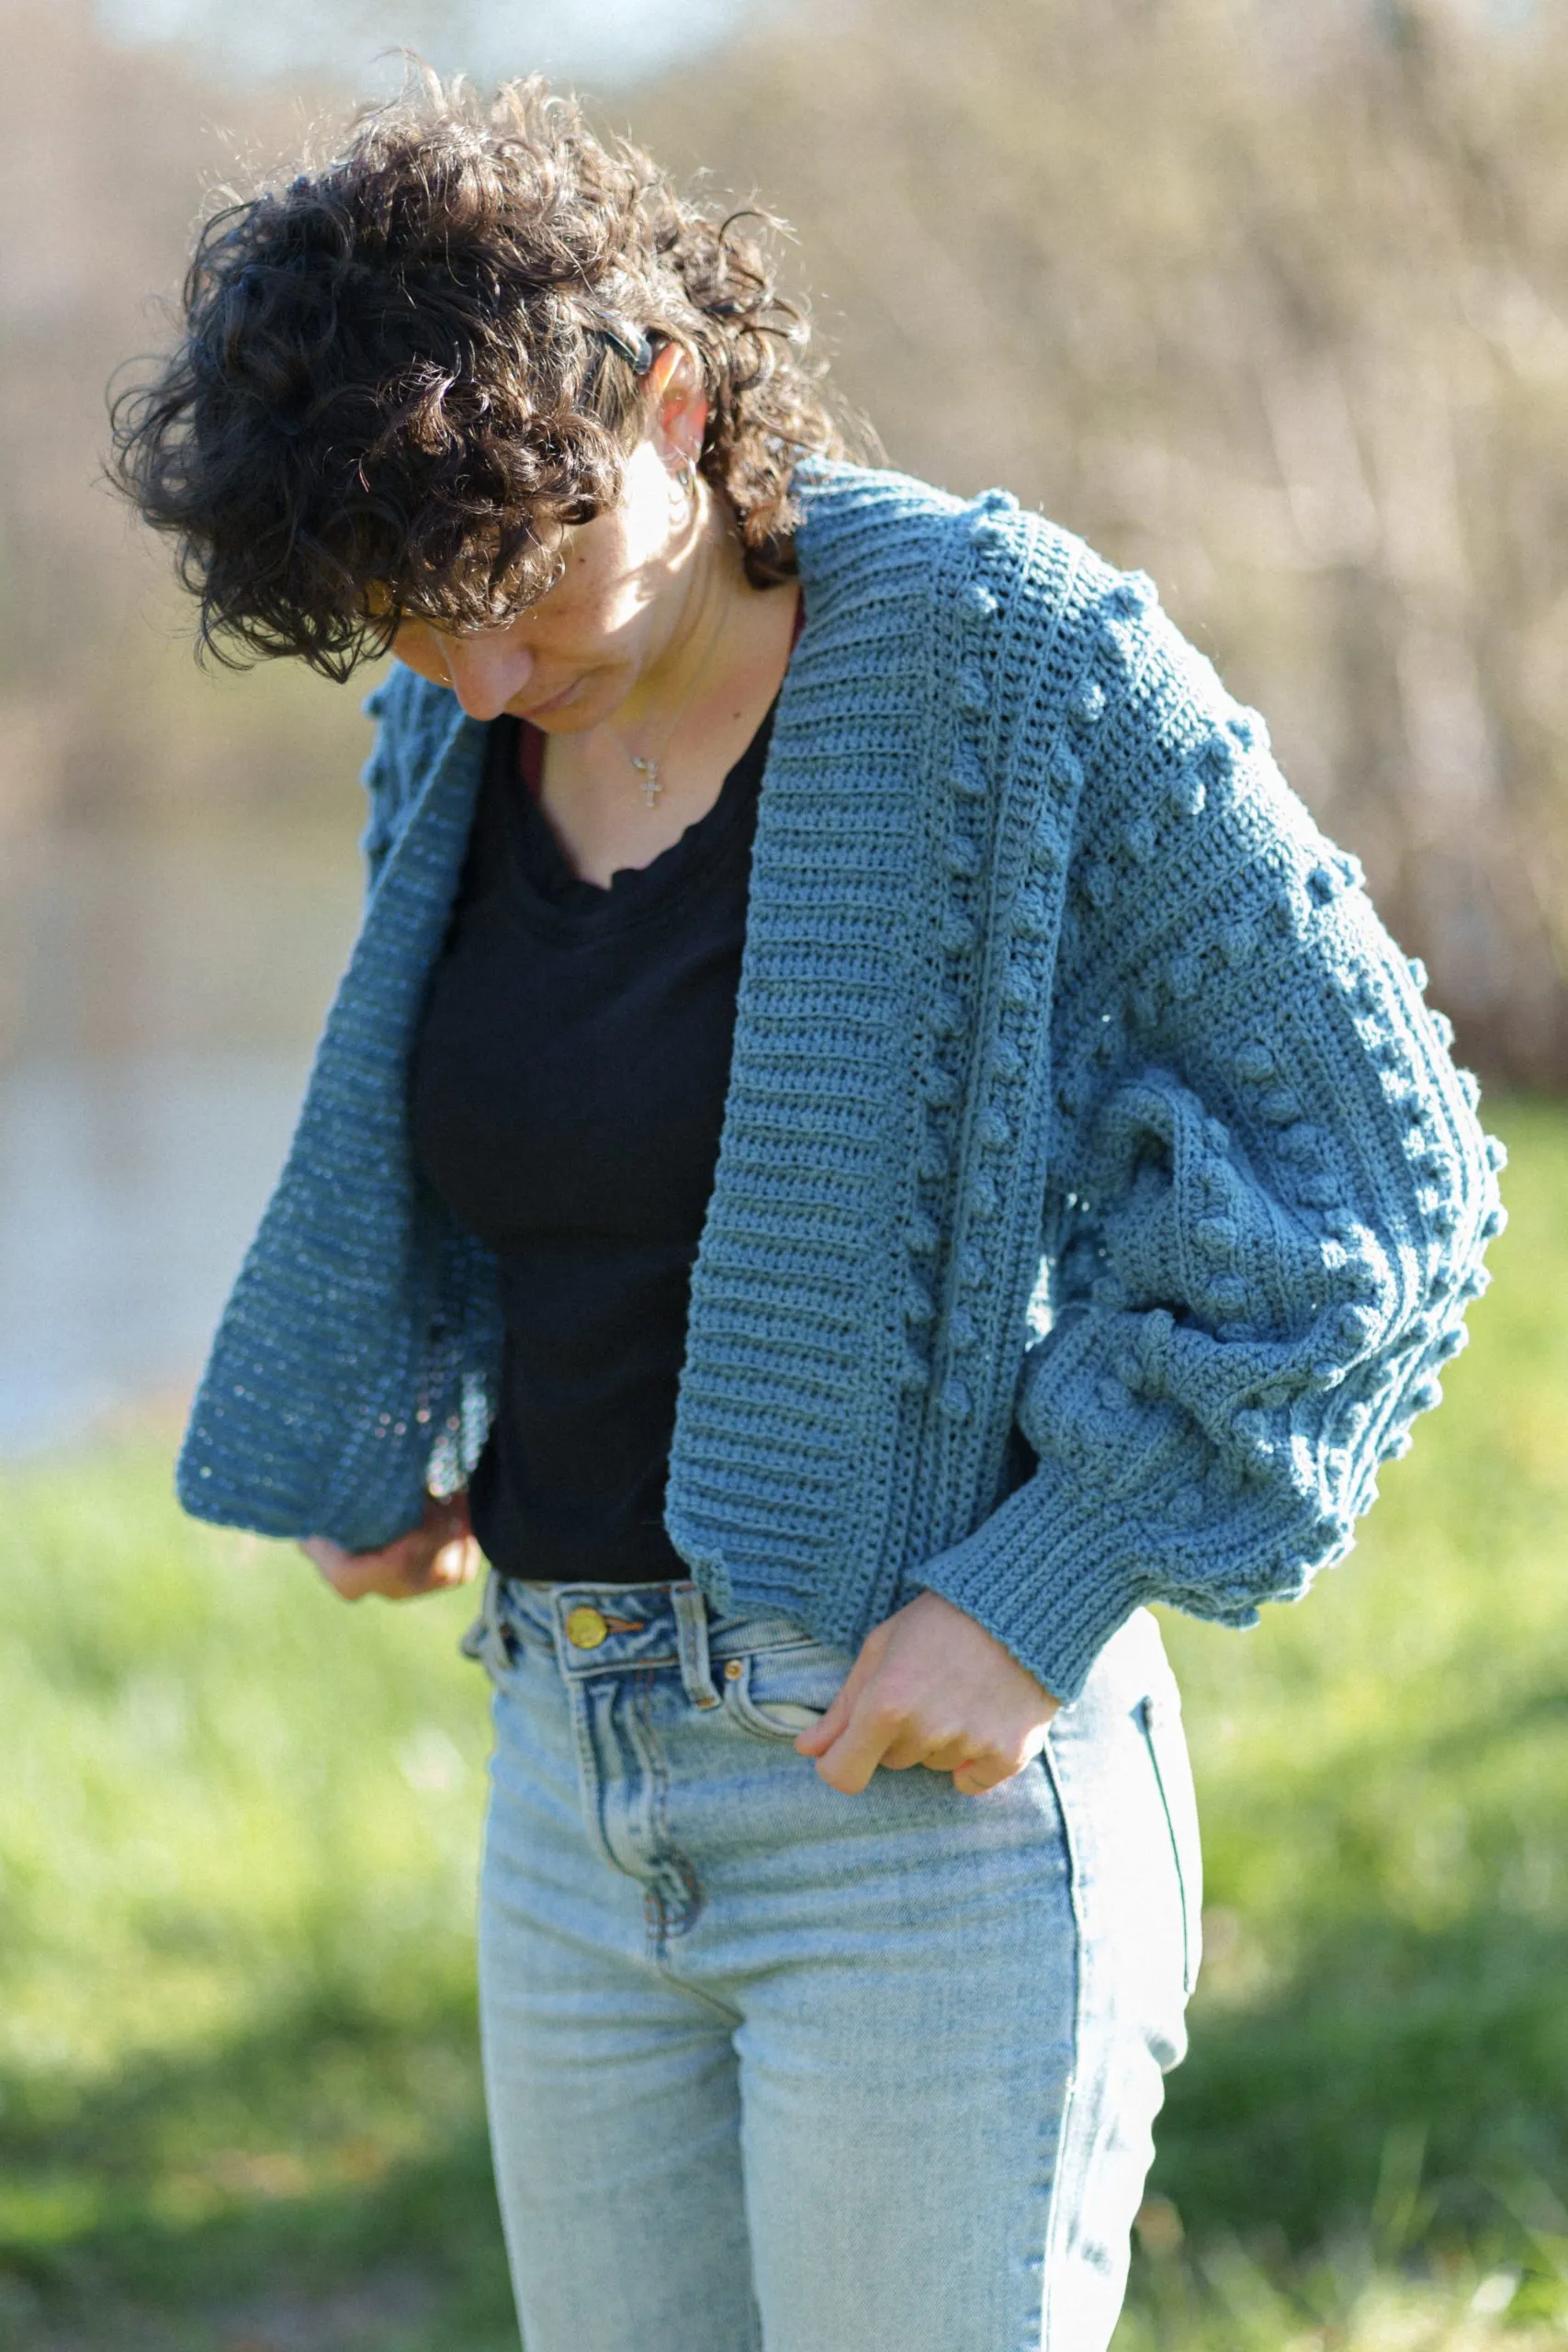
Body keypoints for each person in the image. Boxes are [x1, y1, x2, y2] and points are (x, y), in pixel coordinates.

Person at [109, 68, 1503, 2352]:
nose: (467, 670)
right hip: (571, 1787)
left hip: (918, 1812)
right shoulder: (456, 720)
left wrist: (1047, 1584)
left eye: (503, 585)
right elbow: (513, 1136)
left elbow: (1387, 1173)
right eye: (398, 614)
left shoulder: (1013, 666)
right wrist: (417, 1423)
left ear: (665, 399)